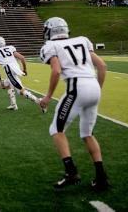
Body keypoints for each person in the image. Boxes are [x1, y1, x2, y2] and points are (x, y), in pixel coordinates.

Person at [39, 17, 109, 191]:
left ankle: (71, 172)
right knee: (87, 133)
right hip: (94, 86)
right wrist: (97, 89)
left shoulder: (51, 46)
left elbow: (56, 70)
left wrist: (47, 97)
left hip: (76, 87)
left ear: (50, 31)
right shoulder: (83, 40)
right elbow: (102, 66)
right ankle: (101, 178)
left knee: (56, 129)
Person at [0, 36, 42, 111]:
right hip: (16, 68)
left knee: (20, 91)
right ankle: (13, 104)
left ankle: (39, 101)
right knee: (6, 84)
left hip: (8, 70)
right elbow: (22, 58)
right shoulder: (10, 48)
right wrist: (25, 69)